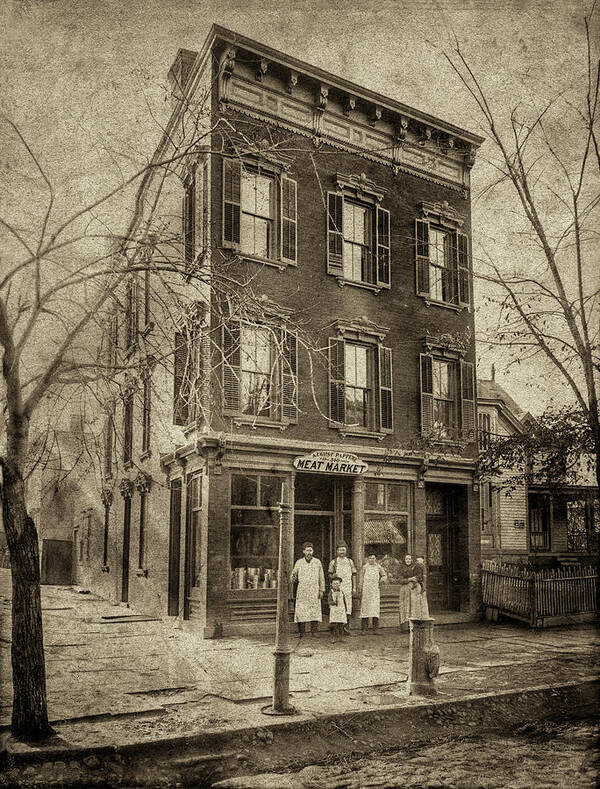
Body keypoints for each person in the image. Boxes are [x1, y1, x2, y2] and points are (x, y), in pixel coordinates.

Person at [291, 541, 325, 637]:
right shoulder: (299, 562)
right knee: (301, 611)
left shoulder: (317, 562)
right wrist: (293, 577)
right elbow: (293, 576)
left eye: (310, 550)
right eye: (307, 550)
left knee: (314, 610)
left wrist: (321, 590)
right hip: (303, 590)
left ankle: (314, 632)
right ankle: (302, 633)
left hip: (314, 589)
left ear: (313, 551)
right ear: (303, 552)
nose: (309, 552)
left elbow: (321, 577)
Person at [328, 542, 356, 635]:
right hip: (337, 588)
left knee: (348, 607)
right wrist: (333, 576)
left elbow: (354, 575)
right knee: (337, 607)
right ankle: (336, 629)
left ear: (346, 550)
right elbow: (329, 575)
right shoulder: (333, 562)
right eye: (340, 550)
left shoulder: (350, 561)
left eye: (343, 550)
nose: (342, 552)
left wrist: (354, 587)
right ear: (337, 551)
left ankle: (346, 628)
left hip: (348, 587)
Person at [359, 553, 387, 634]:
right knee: (365, 609)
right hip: (366, 590)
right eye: (370, 558)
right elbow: (361, 578)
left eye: (373, 558)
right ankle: (364, 629)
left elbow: (384, 575)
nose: (372, 559)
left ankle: (375, 629)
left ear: (376, 559)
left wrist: (381, 580)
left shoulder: (378, 567)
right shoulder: (365, 567)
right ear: (368, 559)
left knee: (375, 609)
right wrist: (360, 588)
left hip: (375, 590)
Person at [398, 553, 424, 632]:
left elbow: (419, 577)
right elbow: (400, 580)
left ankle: (413, 626)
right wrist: (409, 579)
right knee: (405, 607)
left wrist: (415, 579)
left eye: (409, 559)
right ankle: (405, 627)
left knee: (413, 606)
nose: (408, 560)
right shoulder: (401, 568)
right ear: (404, 560)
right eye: (406, 559)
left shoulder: (416, 567)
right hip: (404, 590)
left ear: (412, 560)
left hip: (413, 589)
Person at [328, 575, 347, 642]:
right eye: (335, 584)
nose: (336, 585)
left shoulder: (341, 591)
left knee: (341, 624)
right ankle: (333, 637)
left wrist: (345, 609)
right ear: (331, 584)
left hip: (341, 609)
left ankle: (341, 637)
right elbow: (329, 600)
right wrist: (332, 603)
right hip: (334, 610)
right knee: (333, 624)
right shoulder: (331, 592)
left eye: (338, 583)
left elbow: (344, 600)